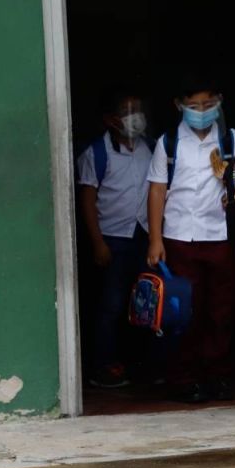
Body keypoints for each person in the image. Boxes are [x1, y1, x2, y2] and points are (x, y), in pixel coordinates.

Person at [146, 73, 235, 403]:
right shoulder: (168, 142)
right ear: (179, 106)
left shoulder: (233, 140)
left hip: (220, 235)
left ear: (218, 103)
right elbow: (158, 189)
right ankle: (184, 377)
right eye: (193, 105)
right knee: (185, 312)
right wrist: (155, 239)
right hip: (178, 236)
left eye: (207, 104)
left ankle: (216, 374)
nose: (201, 110)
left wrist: (234, 194)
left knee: (221, 310)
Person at [76, 87, 153, 388]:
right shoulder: (96, 153)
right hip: (113, 239)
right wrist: (97, 243)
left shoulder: (151, 147)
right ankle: (104, 366)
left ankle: (140, 363)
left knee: (145, 304)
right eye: (127, 111)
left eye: (138, 109)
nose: (136, 117)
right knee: (110, 305)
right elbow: (87, 199)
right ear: (111, 119)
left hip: (144, 237)